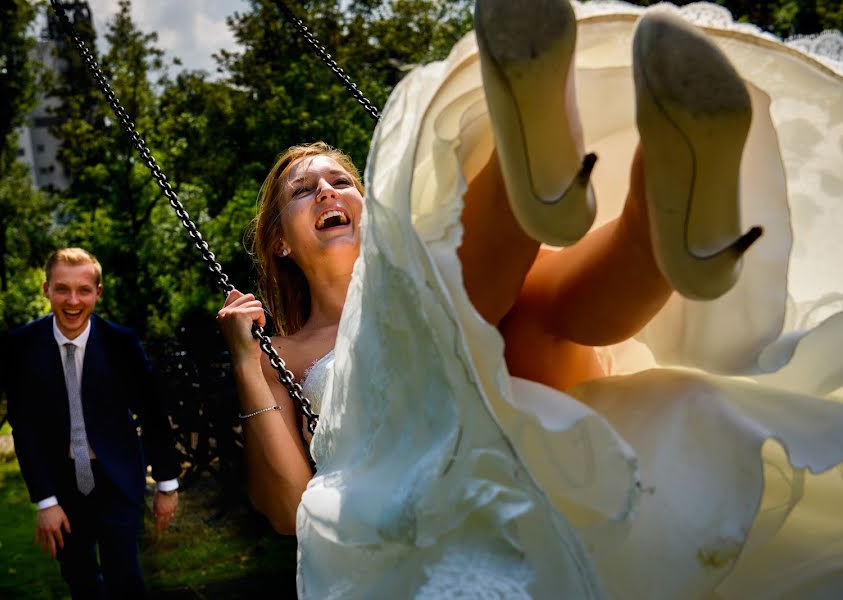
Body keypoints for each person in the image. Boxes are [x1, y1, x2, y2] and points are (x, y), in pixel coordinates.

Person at [218, 1, 843, 597]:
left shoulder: (415, 271)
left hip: (525, 397)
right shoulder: (284, 354)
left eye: (343, 182)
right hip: (409, 473)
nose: (329, 193)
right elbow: (287, 511)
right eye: (304, 191)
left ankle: (646, 215)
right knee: (476, 305)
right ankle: (596, 209)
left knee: (497, 298)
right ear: (277, 243)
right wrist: (247, 361)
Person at [7, 247, 181, 598]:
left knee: (125, 579)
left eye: (84, 290)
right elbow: (23, 427)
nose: (73, 301)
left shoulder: (122, 343)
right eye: (62, 289)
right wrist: (44, 500)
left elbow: (152, 413)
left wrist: (166, 483)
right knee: (80, 579)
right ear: (46, 290)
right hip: (61, 484)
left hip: (116, 478)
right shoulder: (22, 346)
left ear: (97, 293)